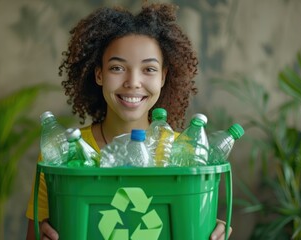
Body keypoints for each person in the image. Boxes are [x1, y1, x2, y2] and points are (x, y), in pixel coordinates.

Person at [26, 2, 232, 240]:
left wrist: (207, 227)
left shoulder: (185, 153)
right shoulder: (64, 154)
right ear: (99, 74)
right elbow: (33, 236)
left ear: (164, 76)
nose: (133, 82)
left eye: (149, 69)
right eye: (117, 67)